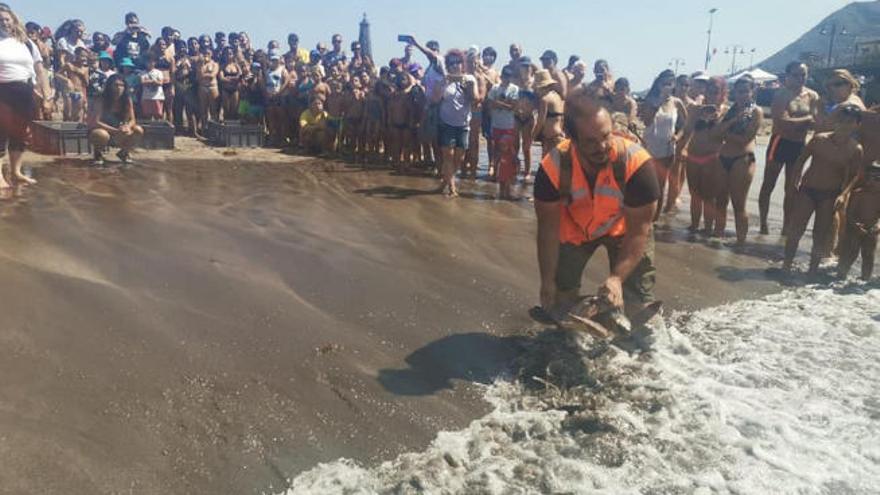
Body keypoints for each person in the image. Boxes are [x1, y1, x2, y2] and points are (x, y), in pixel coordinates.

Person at [533, 89, 660, 318]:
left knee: (637, 305)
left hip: (625, 231)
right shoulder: (551, 168)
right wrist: (546, 281)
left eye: (606, 135)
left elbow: (639, 232)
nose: (602, 147)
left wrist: (616, 279)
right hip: (575, 230)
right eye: (590, 142)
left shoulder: (638, 165)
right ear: (571, 139)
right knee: (559, 302)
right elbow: (548, 231)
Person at [783, 104, 863, 276]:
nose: (845, 125)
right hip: (807, 190)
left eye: (850, 122)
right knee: (796, 229)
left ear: (857, 125)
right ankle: (786, 266)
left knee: (820, 234)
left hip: (829, 195)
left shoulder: (855, 149)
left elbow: (854, 176)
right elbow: (800, 161)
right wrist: (794, 181)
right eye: (842, 121)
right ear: (836, 121)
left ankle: (812, 271)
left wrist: (843, 195)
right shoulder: (819, 139)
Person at [759, 62, 820, 236]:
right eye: (796, 75)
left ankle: (787, 226)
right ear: (787, 76)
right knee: (768, 184)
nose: (800, 78)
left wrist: (804, 120)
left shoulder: (812, 95)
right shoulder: (781, 94)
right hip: (780, 142)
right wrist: (807, 119)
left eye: (803, 75)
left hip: (799, 144)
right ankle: (763, 223)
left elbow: (816, 120)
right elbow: (781, 121)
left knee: (792, 187)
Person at [0, 3, 51, 187]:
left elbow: (40, 70)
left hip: (24, 92)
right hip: (2, 91)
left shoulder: (27, 43)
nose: (4, 23)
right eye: (0, 20)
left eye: (7, 19)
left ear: (14, 20)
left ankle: (16, 171)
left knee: (20, 133)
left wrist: (47, 96)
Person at [710, 75, 763, 245]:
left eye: (745, 91)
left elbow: (745, 139)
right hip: (724, 157)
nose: (741, 95)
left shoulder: (756, 111)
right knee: (720, 201)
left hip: (742, 159)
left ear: (752, 91)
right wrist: (733, 120)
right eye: (738, 92)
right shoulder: (731, 110)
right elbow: (715, 133)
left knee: (739, 204)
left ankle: (741, 243)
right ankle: (717, 237)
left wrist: (725, 133)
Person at [640, 70, 687, 220]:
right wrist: (657, 102)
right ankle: (642, 217)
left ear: (673, 85)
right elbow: (646, 121)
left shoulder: (676, 102)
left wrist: (678, 135)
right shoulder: (650, 100)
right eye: (664, 83)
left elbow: (687, 122)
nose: (667, 86)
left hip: (667, 151)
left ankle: (654, 221)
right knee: (645, 186)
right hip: (648, 149)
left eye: (670, 83)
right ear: (658, 84)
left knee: (659, 187)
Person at [682, 76, 728, 233]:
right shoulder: (696, 108)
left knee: (709, 197)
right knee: (695, 195)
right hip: (693, 155)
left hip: (713, 157)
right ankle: (694, 225)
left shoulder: (725, 111)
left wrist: (718, 118)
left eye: (716, 91)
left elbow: (727, 137)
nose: (712, 94)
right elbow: (687, 130)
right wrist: (681, 149)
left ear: (722, 93)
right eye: (710, 91)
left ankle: (708, 228)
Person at [432, 49, 477, 197]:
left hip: (463, 124)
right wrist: (444, 83)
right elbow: (435, 100)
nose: (455, 65)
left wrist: (467, 88)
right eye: (451, 63)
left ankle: (444, 182)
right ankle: (452, 187)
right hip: (446, 122)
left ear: (462, 64)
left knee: (460, 157)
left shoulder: (470, 79)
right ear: (447, 65)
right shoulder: (443, 80)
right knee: (448, 156)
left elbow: (476, 99)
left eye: (458, 62)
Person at [836, 160, 879, 280]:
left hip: (871, 229)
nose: (872, 181)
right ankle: (841, 275)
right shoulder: (858, 194)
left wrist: (877, 226)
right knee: (851, 251)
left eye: (877, 179)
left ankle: (866, 279)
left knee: (868, 255)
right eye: (869, 177)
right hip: (854, 228)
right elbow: (849, 214)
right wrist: (855, 225)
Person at [88, 74, 144, 165]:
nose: (119, 88)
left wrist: (127, 127)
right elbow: (95, 121)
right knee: (101, 134)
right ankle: (98, 153)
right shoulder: (101, 99)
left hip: (119, 130)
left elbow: (132, 120)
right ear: (110, 86)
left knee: (138, 130)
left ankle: (124, 153)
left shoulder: (127, 99)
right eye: (116, 85)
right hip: (103, 130)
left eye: (121, 85)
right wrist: (115, 131)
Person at [486, 65, 519, 199]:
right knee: (497, 152)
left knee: (508, 155)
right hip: (496, 125)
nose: (507, 78)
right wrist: (505, 104)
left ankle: (509, 183)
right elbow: (489, 104)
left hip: (509, 125)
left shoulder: (514, 89)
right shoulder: (495, 88)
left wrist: (499, 104)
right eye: (505, 75)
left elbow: (514, 107)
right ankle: (498, 177)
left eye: (509, 76)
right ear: (502, 76)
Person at [532, 69, 565, 157]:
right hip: (559, 134)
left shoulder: (545, 99)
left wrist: (533, 136)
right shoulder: (557, 96)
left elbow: (540, 121)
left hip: (551, 138)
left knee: (548, 167)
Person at [387, 73, 412, 172]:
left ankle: (406, 163)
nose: (402, 80)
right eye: (400, 78)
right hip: (395, 122)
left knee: (406, 145)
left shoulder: (410, 94)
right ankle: (396, 162)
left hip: (406, 123)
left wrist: (411, 122)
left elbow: (411, 110)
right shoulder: (394, 94)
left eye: (404, 79)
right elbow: (390, 108)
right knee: (396, 144)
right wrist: (389, 119)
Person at [218, 45, 241, 121]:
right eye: (226, 54)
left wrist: (229, 78)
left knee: (234, 110)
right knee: (226, 110)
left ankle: (233, 128)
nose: (228, 55)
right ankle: (227, 128)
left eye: (230, 53)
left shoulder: (236, 65)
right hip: (225, 90)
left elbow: (240, 76)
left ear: (233, 54)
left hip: (235, 90)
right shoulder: (222, 66)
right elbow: (222, 79)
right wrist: (234, 79)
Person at [139, 53, 165, 120]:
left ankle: (158, 128)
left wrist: (149, 81)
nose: (150, 63)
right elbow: (142, 82)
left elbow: (160, 83)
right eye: (148, 62)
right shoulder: (142, 73)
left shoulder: (159, 72)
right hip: (146, 97)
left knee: (158, 114)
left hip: (157, 96)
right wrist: (153, 81)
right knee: (147, 115)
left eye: (152, 62)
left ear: (155, 62)